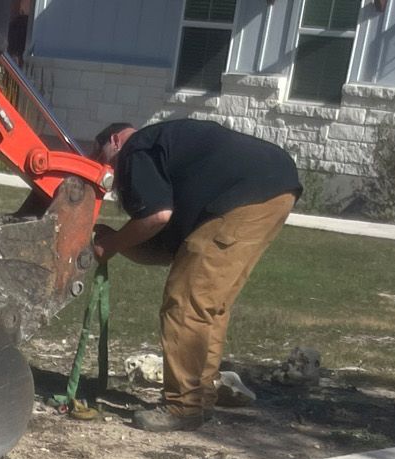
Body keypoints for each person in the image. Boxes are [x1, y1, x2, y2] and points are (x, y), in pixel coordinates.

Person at [91, 118, 301, 433]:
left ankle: (182, 406)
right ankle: (200, 398)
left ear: (116, 141)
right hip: (276, 185)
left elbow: (157, 216)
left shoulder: (136, 149)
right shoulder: (170, 152)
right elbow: (169, 245)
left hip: (243, 195)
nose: (107, 169)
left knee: (187, 305)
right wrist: (118, 243)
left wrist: (112, 244)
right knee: (210, 305)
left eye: (102, 156)